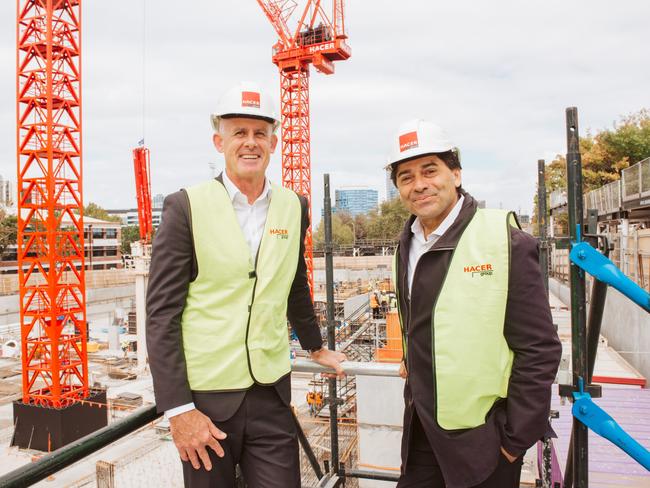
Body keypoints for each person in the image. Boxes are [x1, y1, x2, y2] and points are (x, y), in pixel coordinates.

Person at [146, 81, 346, 488]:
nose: (250, 143)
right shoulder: (185, 206)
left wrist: (316, 346)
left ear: (275, 141)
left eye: (260, 133)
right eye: (239, 132)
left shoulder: (294, 205)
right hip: (206, 402)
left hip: (271, 392)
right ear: (219, 141)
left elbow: (293, 283)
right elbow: (161, 314)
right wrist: (178, 409)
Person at [387, 119, 562, 488]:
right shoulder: (406, 245)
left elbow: (539, 347)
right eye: (406, 177)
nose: (419, 184)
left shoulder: (505, 241)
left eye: (430, 171)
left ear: (456, 173)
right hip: (423, 429)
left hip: (486, 440)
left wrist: (514, 440)